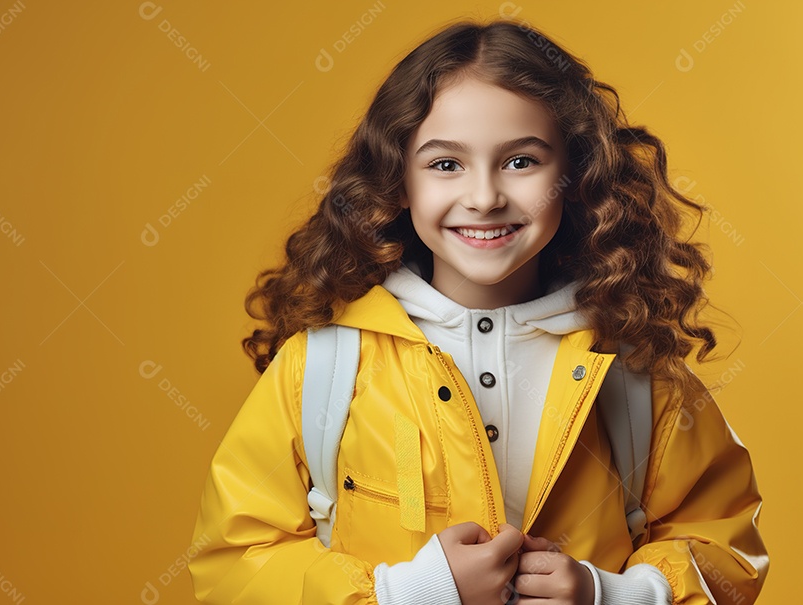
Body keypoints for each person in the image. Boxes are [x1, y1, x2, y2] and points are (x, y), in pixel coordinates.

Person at [187, 18, 768, 605]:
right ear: (399, 180)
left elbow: (722, 546)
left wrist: (610, 595)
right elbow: (234, 562)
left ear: (576, 176)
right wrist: (400, 595)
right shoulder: (324, 365)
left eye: (521, 162)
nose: (485, 197)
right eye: (446, 164)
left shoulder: (635, 369)